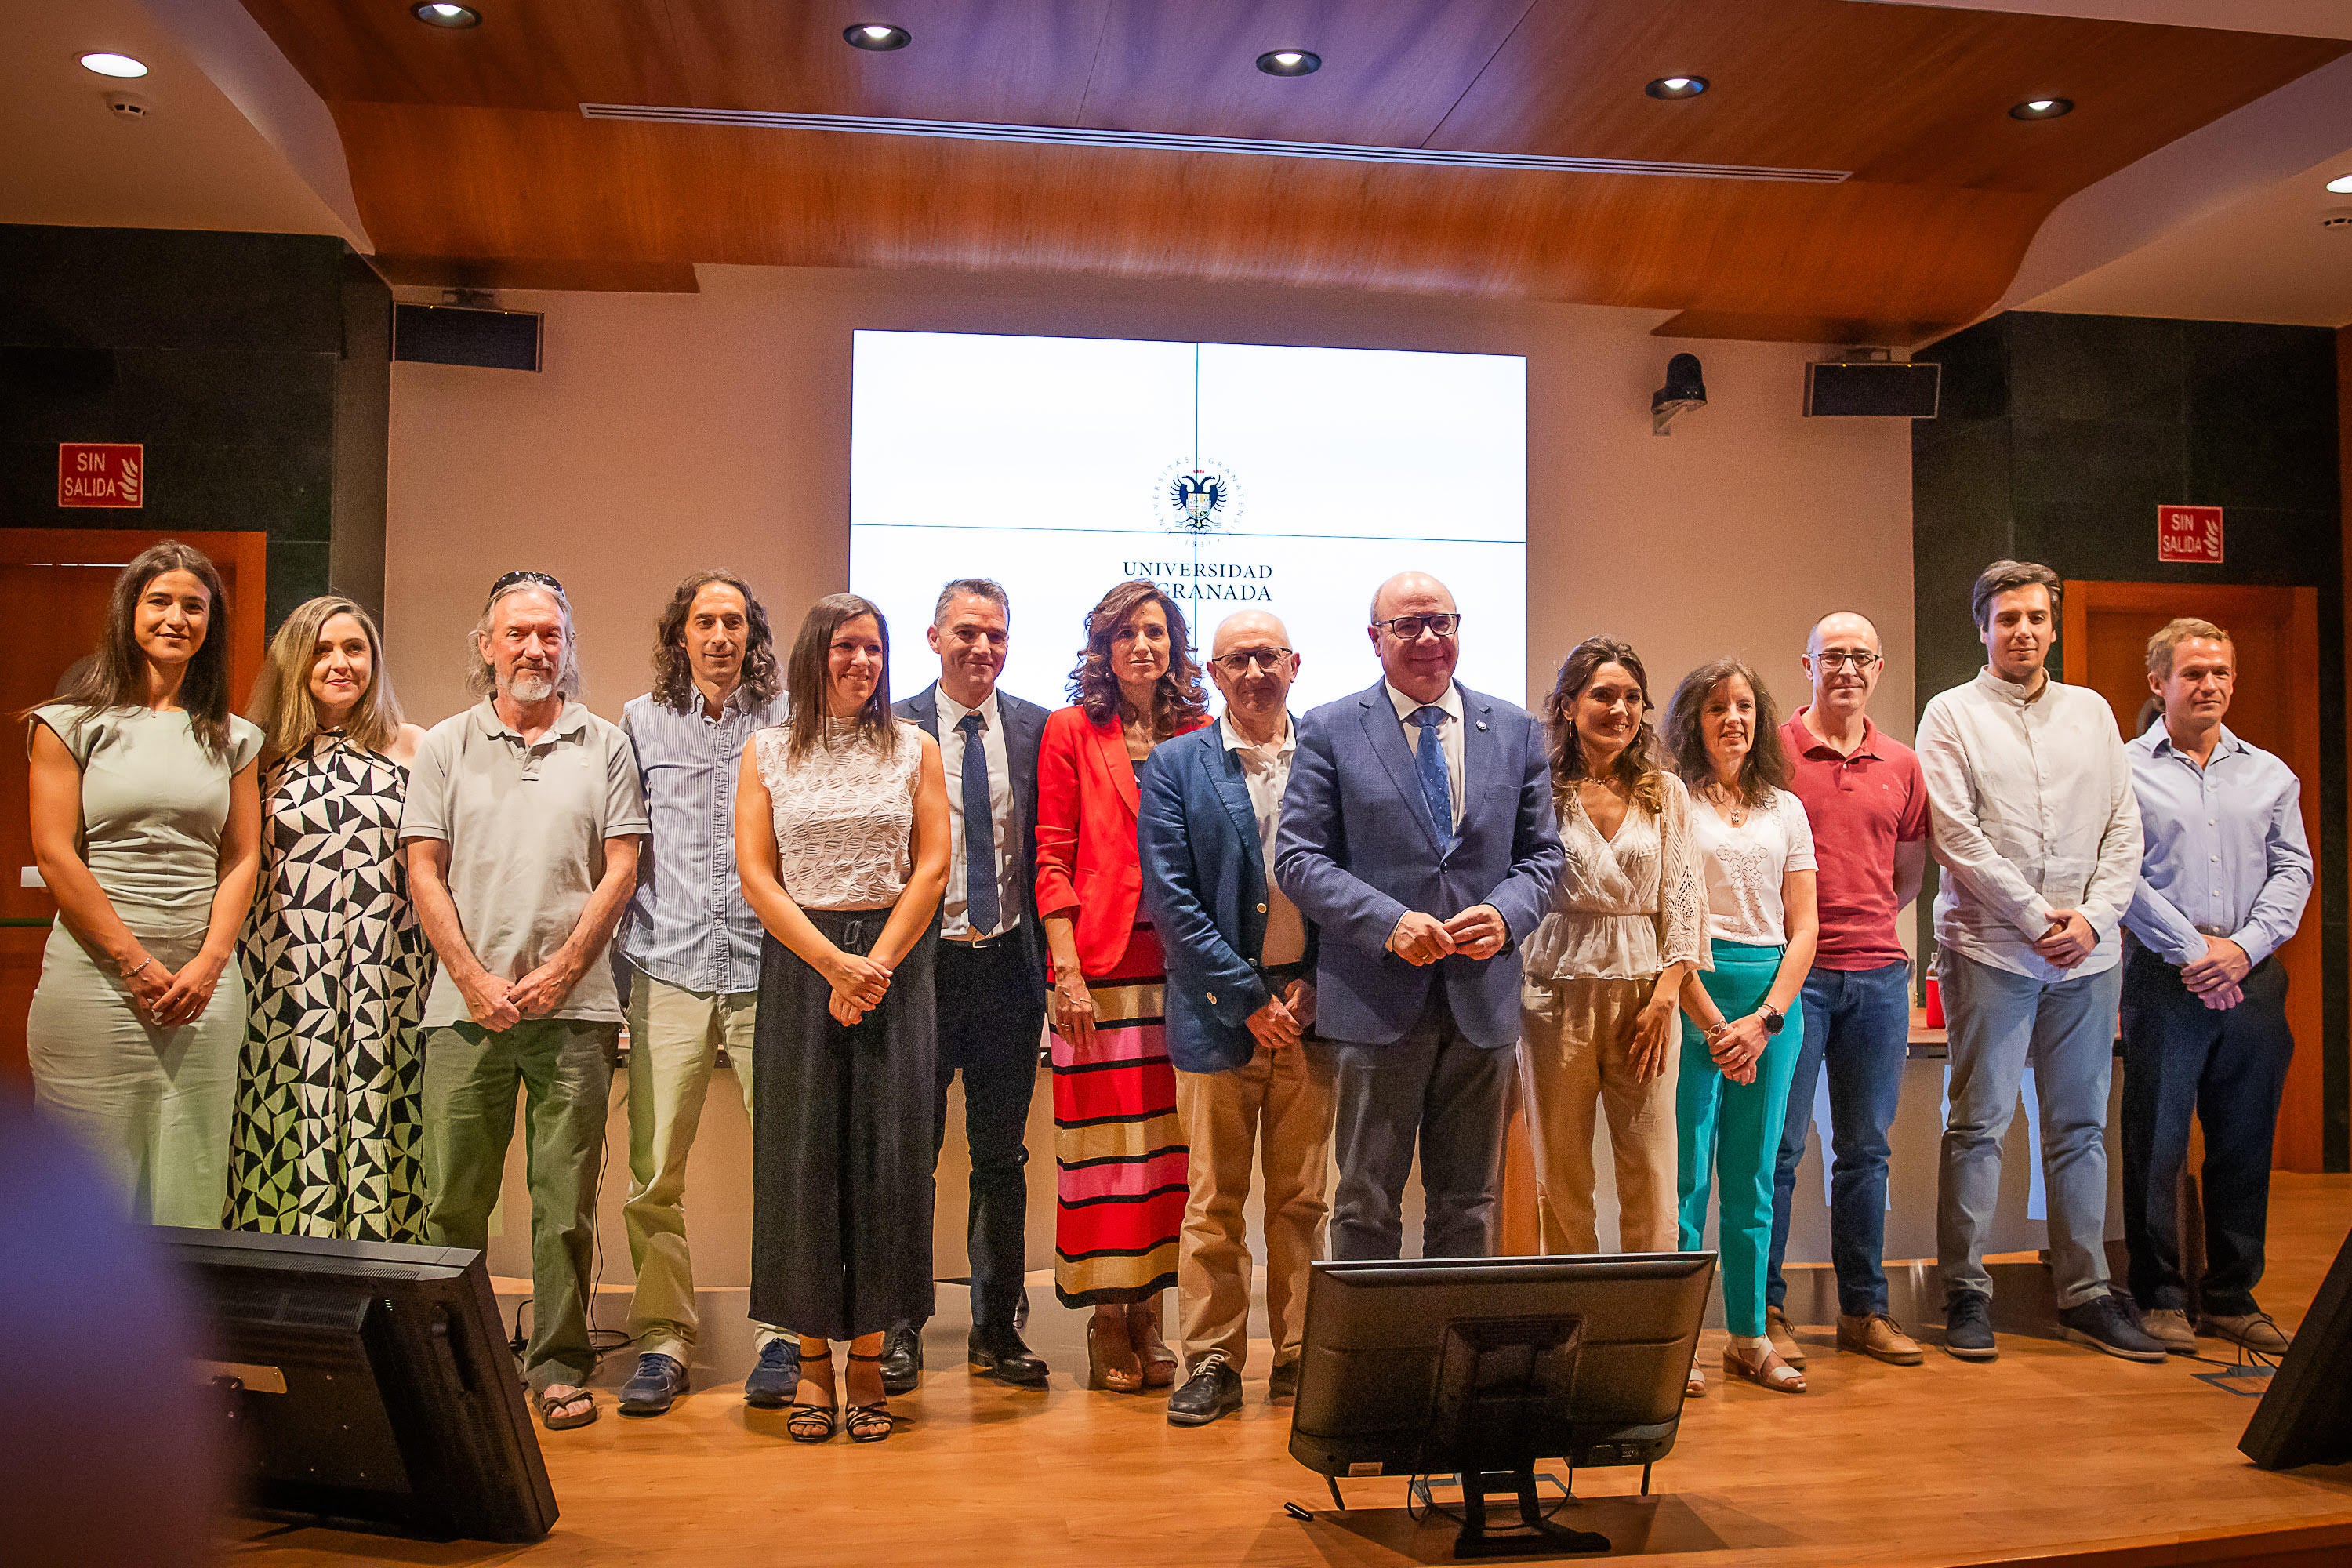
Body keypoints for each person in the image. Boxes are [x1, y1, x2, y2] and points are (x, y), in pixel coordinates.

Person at [402, 572, 649, 1430]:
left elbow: (622, 866)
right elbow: (421, 867)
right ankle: (454, 1364)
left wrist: (565, 966)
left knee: (564, 1204)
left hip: (575, 1013)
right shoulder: (443, 744)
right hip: (462, 1012)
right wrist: (472, 977)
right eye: (518, 634)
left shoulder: (606, 744)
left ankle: (557, 1363)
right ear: (487, 645)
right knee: (452, 1201)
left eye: (550, 634)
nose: (535, 649)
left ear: (567, 643)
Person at [1276, 573, 1561, 1263]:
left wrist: (1505, 912)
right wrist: (1389, 923)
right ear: (1375, 640)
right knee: (1366, 1200)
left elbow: (1544, 857)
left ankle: (1452, 1364)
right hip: (1375, 1002)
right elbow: (1299, 859)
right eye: (1407, 626)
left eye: (1442, 622)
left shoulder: (1516, 730)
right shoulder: (1329, 728)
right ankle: (1371, 1366)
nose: (1428, 639)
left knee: (1470, 1205)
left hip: (1481, 1002)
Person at [1918, 560, 2162, 1363]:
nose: (2023, 630)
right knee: (1979, 1121)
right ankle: (1965, 1290)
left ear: (2053, 625)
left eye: (2036, 617)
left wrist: (2092, 920)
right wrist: (2031, 914)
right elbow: (1956, 833)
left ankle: (2086, 1291)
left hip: (2089, 959)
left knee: (2079, 1127)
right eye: (2007, 617)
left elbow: (2124, 828)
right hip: (1991, 947)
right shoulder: (1950, 713)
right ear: (1981, 627)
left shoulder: (2092, 713)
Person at [739, 593, 949, 1444]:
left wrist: (875, 967)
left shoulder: (916, 748)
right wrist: (832, 963)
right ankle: (812, 1365)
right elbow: (758, 875)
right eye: (845, 646)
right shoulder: (765, 752)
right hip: (801, 963)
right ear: (813, 653)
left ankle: (869, 1362)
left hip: (895, 961)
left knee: (888, 1163)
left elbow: (932, 865)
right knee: (802, 1164)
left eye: (874, 647)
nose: (862, 660)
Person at [24, 541, 263, 1227]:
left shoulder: (235, 737)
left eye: (195, 605)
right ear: (129, 609)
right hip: (94, 986)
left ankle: (177, 1336)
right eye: (160, 600)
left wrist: (211, 963)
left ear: (211, 621)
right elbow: (56, 853)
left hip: (204, 993)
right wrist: (136, 965)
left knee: (189, 1189)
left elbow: (242, 857)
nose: (176, 617)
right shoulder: (66, 724)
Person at [1140, 610, 1330, 1427]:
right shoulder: (1178, 764)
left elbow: (1357, 879)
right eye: (1237, 659)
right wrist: (1249, 999)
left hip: (1315, 1010)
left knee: (1302, 1202)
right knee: (1215, 1201)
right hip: (1221, 1015)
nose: (1256, 671)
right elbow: (1173, 902)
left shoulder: (1329, 754)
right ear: (1213, 674)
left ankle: (1300, 1356)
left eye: (1269, 656)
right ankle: (1212, 1358)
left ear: (1295, 664)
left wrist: (1321, 982)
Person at [612, 570, 791, 1417]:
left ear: (754, 635)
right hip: (668, 965)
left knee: (782, 1166)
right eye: (703, 621)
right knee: (654, 1173)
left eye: (733, 621)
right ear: (679, 635)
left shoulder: (788, 723)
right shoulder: (639, 722)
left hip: (768, 968)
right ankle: (662, 1340)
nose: (719, 635)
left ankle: (782, 1333)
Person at [2119, 618, 2311, 1357]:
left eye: (2221, 673)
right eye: (2193, 673)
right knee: (2157, 1144)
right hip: (2167, 978)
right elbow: (2121, 876)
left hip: (2254, 979)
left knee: (2243, 1141)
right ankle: (2161, 1293)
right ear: (2158, 682)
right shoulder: (2126, 771)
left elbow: (2293, 870)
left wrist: (2242, 948)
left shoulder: (2269, 773)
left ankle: (2232, 1294)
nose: (2209, 686)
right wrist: (2195, 950)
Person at [1036, 579, 1210, 1392]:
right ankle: (1109, 1314)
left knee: (1170, 1154)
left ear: (1174, 645)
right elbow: (1052, 853)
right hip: (1100, 974)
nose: (1143, 644)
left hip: (1183, 972)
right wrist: (1064, 968)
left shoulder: (1202, 731)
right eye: (1126, 632)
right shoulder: (1072, 729)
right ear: (1102, 648)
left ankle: (1152, 1314)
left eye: (1157, 630)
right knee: (1104, 1155)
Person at [882, 579, 1053, 1392]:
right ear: (933, 636)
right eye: (965, 632)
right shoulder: (892, 724)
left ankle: (996, 1329)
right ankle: (900, 1326)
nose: (980, 648)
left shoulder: (1037, 727)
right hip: (921, 968)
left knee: (1002, 1158)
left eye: (995, 634)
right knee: (911, 1153)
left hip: (1006, 973)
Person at [226, 596, 435, 1241]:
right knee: (286, 1112)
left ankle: (388, 1294)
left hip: (389, 977)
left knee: (390, 1116)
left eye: (355, 649)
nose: (340, 663)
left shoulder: (413, 746)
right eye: (322, 650)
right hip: (286, 975)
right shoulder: (255, 753)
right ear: (295, 661)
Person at [1764, 612, 1929, 1371]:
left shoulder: (1902, 760)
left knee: (1866, 1150)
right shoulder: (1775, 755)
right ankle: (1766, 1310)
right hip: (1793, 979)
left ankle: (1865, 1310)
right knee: (1781, 1147)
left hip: (1879, 977)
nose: (1847, 668)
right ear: (1808, 664)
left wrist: (1865, 928)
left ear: (1879, 666)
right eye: (1833, 655)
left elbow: (1909, 871)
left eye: (1862, 656)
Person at [1517, 637, 1703, 1261]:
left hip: (1644, 999)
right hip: (1551, 993)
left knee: (1651, 1174)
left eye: (1632, 697)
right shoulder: (1537, 790)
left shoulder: (1666, 792)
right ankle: (1574, 1333)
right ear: (1568, 705)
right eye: (1603, 695)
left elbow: (1684, 902)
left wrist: (1666, 998)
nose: (1620, 709)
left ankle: (1650, 1340)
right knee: (1563, 1180)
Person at [1667, 659, 1817, 1396]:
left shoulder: (1786, 808)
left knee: (1753, 1179)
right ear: (1693, 720)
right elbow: (1667, 918)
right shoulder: (1670, 800)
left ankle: (1750, 1336)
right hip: (1692, 989)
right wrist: (1716, 1019)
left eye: (1747, 707)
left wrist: (1765, 1018)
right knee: (1686, 1179)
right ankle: (1681, 1341)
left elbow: (1807, 924)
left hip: (1772, 1002)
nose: (1734, 719)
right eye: (1718, 707)